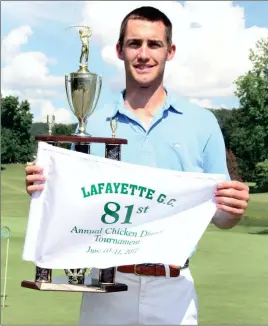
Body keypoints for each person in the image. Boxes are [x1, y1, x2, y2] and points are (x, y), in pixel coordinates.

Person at [25, 6, 249, 325]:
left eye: (154, 44)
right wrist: (42, 187)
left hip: (174, 290)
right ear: (120, 50)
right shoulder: (90, 121)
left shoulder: (202, 123)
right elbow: (70, 203)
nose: (144, 54)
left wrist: (233, 210)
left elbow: (222, 218)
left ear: (170, 51)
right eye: (134, 44)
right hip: (104, 287)